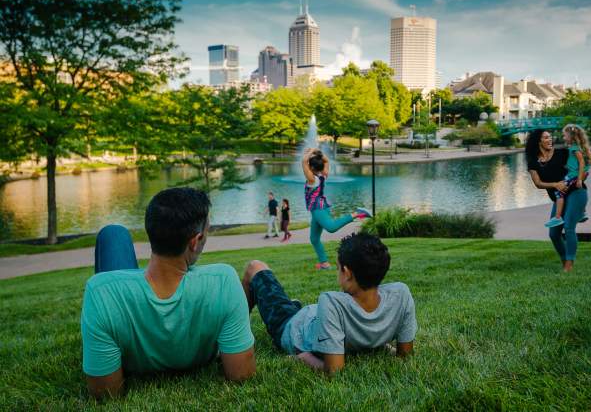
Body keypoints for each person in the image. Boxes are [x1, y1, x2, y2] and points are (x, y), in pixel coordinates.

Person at [81, 188, 256, 399]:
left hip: (123, 294)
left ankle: (136, 276)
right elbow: (241, 375)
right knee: (115, 237)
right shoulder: (223, 282)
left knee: (113, 233)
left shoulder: (101, 293)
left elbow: (106, 394)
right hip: (160, 291)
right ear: (195, 241)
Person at [241, 233, 417, 374]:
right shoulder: (401, 293)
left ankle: (236, 333)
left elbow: (334, 370)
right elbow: (405, 355)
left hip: (291, 325)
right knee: (294, 306)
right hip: (311, 316)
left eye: (338, 267)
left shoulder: (331, 302)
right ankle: (294, 305)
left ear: (347, 273)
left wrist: (302, 358)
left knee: (255, 267)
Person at [526, 129, 588, 272]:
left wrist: (579, 178)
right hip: (558, 199)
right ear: (538, 141)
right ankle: (564, 259)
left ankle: (569, 263)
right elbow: (538, 183)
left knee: (569, 227)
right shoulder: (533, 161)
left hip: (576, 193)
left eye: (550, 137)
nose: (550, 140)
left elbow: (582, 164)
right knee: (553, 233)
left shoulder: (562, 153)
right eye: (546, 138)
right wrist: (555, 184)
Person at [302, 148, 371, 270]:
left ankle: (357, 213)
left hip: (318, 208)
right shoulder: (323, 175)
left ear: (312, 168)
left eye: (309, 166)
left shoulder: (312, 180)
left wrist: (311, 151)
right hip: (319, 208)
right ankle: (324, 263)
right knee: (314, 238)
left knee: (331, 227)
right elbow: (327, 161)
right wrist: (318, 153)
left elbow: (303, 162)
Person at [545, 124, 591, 228]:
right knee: (566, 191)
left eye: (565, 135)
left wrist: (579, 179)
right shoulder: (576, 148)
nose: (564, 137)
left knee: (558, 192)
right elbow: (578, 163)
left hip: (573, 175)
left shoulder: (574, 148)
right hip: (573, 174)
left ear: (572, 136)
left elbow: (581, 162)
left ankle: (557, 218)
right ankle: (582, 213)